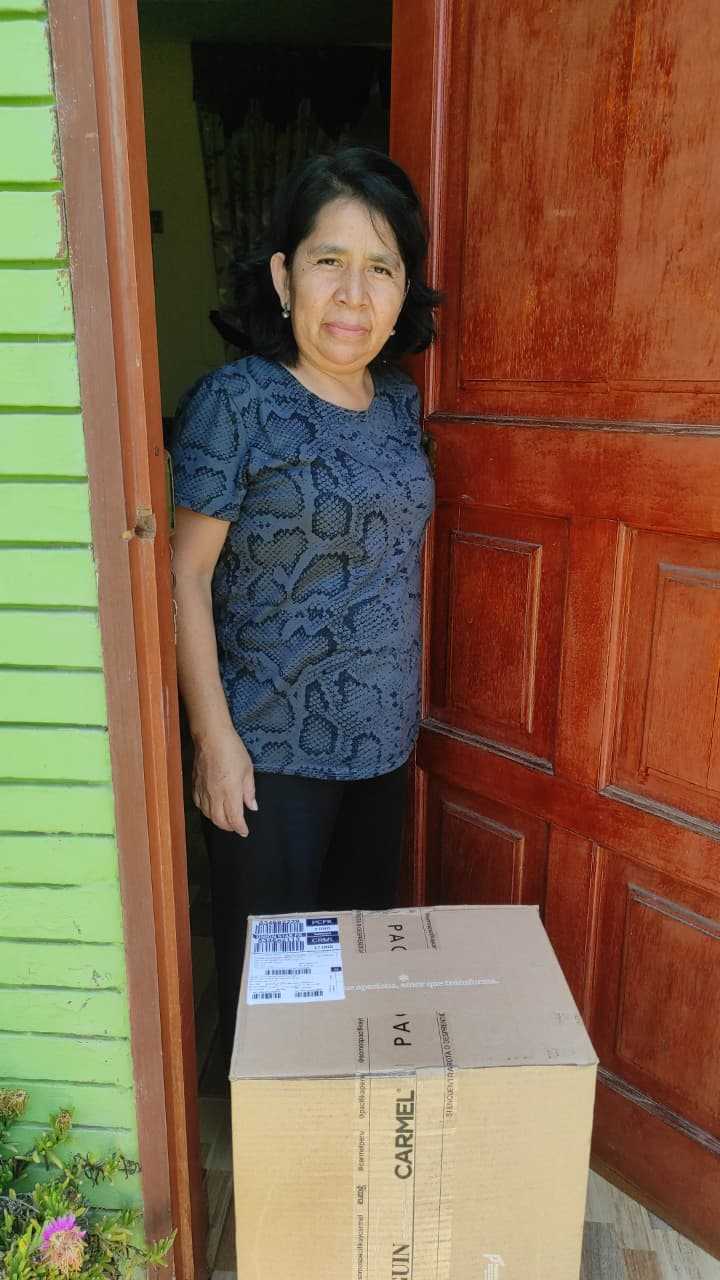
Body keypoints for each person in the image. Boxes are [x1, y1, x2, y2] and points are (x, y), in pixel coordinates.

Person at [170, 146, 441, 1066]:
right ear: (285, 277)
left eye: (381, 269)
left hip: (380, 745)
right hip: (270, 753)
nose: (353, 294)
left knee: (353, 983)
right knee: (276, 998)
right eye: (330, 261)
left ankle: (339, 1138)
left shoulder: (398, 404)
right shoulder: (237, 403)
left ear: (403, 293)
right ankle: (271, 1146)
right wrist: (213, 742)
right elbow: (183, 575)